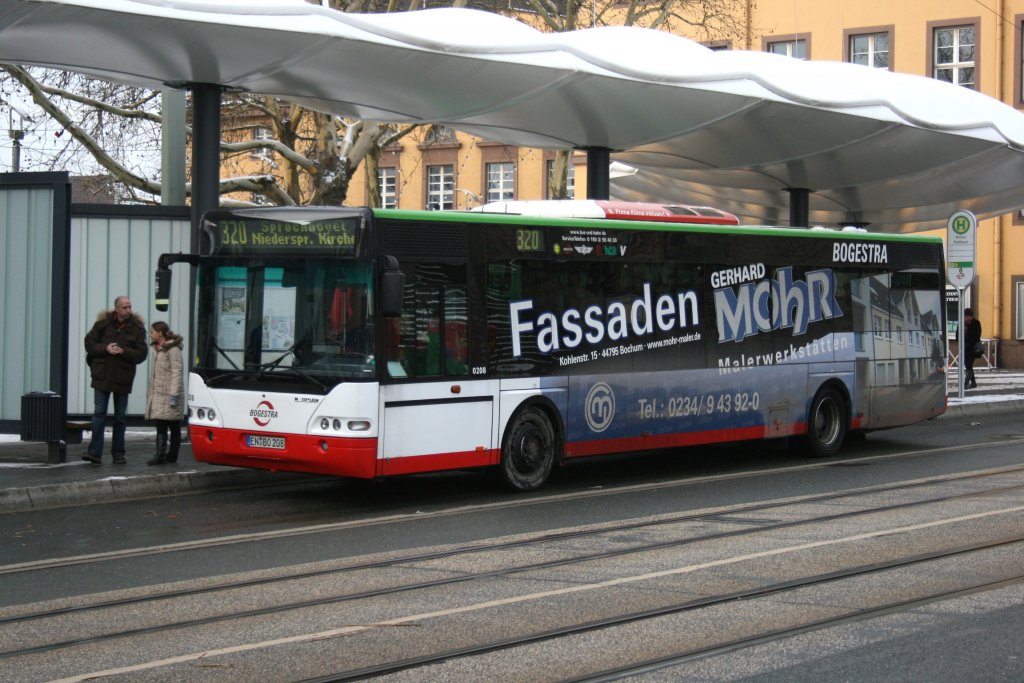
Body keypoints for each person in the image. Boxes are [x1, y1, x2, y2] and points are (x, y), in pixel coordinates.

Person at [83, 296, 148, 464]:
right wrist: (105, 348)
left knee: (120, 417)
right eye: (125, 307)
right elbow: (89, 344)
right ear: (117, 309)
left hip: (122, 377)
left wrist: (123, 351)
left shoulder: (138, 328)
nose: (128, 310)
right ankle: (94, 452)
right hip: (102, 375)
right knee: (99, 414)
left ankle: (118, 454)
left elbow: (142, 354)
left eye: (130, 307)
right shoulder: (102, 325)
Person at [145, 321, 185, 465]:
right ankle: (160, 455)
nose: (150, 335)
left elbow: (176, 372)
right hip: (159, 394)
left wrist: (174, 395)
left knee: (173, 425)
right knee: (160, 424)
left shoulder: (173, 350)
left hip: (169, 394)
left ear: (160, 333)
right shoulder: (157, 349)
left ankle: (172, 455)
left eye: (152, 332)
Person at [963, 307, 982, 389]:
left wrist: (967, 338)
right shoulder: (962, 323)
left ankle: (966, 383)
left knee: (968, 365)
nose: (966, 318)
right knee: (968, 366)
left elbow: (977, 335)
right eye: (965, 316)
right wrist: (960, 341)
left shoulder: (976, 323)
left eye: (967, 316)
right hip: (964, 347)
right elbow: (957, 334)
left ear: (971, 316)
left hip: (973, 348)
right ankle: (973, 383)